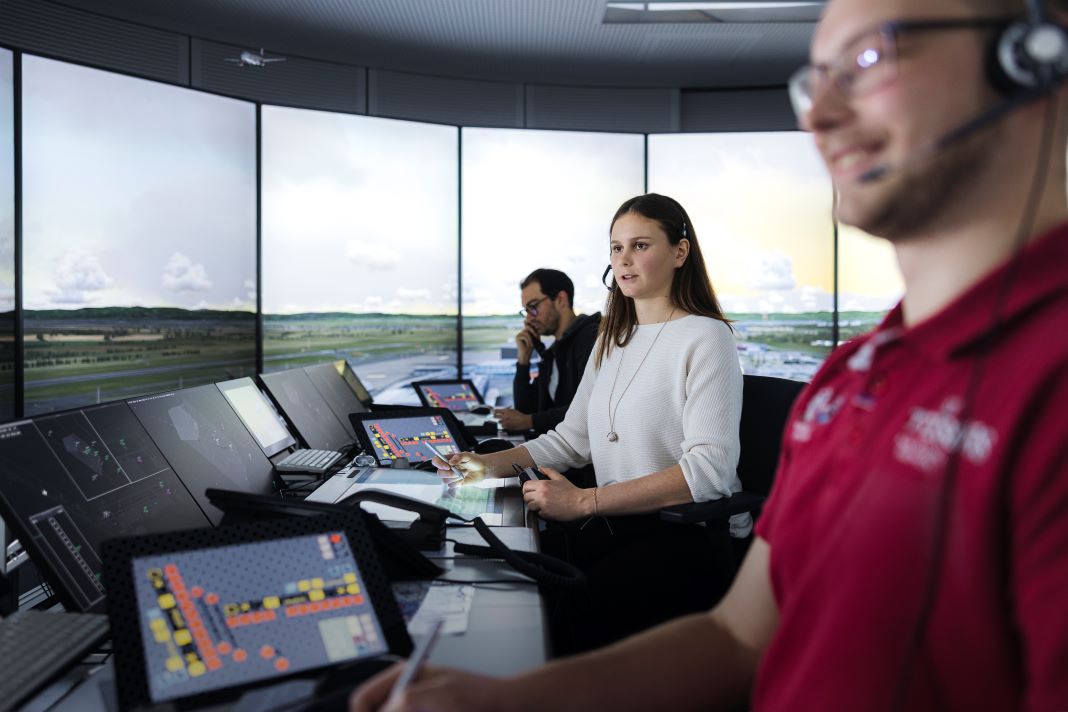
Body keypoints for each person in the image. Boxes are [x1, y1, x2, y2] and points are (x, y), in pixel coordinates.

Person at [352, 0, 1068, 709]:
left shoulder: (1046, 384)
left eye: (868, 60)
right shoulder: (852, 379)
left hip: (657, 539)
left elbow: (707, 480)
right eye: (811, 81)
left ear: (1034, 58)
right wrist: (503, 700)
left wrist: (585, 501)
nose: (816, 116)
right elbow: (739, 638)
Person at [457, 193, 745, 652]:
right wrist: (481, 466)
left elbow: (708, 473)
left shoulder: (707, 337)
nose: (624, 260)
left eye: (640, 246)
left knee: (556, 614)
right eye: (616, 248)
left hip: (677, 536)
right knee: (505, 577)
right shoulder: (613, 338)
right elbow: (572, 440)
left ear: (680, 252)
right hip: (613, 525)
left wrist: (585, 501)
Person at [493, 269, 600, 437]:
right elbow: (526, 410)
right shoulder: (556, 351)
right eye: (526, 311)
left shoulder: (589, 339)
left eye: (533, 307)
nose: (528, 319)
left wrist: (530, 421)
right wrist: (523, 361)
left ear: (560, 300)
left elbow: (588, 409)